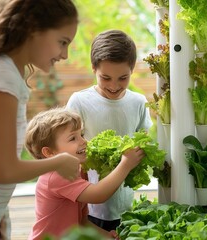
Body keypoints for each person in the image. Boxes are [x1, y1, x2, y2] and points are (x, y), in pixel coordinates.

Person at [0, 1, 81, 239]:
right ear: (34, 29)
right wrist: (59, 162)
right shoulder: (2, 76)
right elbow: (4, 169)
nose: (65, 54)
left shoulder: (4, 71)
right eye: (62, 42)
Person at [66, 29, 153, 231]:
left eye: (123, 78)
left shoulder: (138, 102)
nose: (114, 86)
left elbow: (143, 142)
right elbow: (66, 149)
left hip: (126, 205)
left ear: (132, 70)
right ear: (93, 68)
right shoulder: (79, 101)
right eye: (106, 78)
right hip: (88, 208)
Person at [26, 108, 145, 239]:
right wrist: (126, 164)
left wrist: (106, 236)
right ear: (49, 153)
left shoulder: (78, 170)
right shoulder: (56, 175)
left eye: (81, 135)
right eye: (73, 138)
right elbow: (98, 195)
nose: (83, 141)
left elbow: (82, 221)